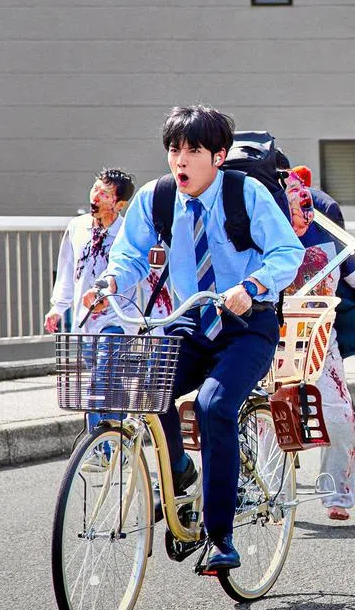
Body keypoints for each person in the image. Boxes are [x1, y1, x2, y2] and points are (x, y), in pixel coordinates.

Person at [96, 105, 304, 572]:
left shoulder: (245, 193)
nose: (181, 160)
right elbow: (130, 255)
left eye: (193, 151)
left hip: (248, 324)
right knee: (147, 388)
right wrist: (110, 282)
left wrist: (252, 286)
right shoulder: (157, 198)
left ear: (218, 156)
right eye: (174, 150)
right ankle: (180, 472)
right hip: (191, 321)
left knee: (214, 407)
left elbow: (287, 251)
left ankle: (220, 535)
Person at [44, 169, 173, 429]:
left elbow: (149, 277)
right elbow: (67, 269)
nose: (95, 197)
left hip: (117, 318)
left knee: (99, 379)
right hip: (85, 320)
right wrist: (58, 307)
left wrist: (159, 322)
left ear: (120, 204)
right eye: (95, 189)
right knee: (106, 379)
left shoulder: (128, 233)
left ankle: (99, 442)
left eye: (104, 194)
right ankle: (119, 431)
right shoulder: (77, 227)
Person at [281, 168, 355, 520]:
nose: (303, 211)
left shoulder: (327, 229)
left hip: (320, 338)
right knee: (269, 420)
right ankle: (269, 497)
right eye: (293, 204)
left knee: (339, 418)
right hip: (266, 337)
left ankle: (338, 492)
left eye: (306, 204)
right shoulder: (256, 231)